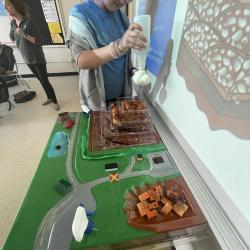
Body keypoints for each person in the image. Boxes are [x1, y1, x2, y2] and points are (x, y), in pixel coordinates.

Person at [67, 0, 147, 111]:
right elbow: (82, 59)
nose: (123, 1)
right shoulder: (80, 14)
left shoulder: (120, 15)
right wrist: (119, 47)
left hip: (122, 94)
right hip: (97, 98)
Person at [3, 0, 60, 111]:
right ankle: (49, 97)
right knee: (39, 79)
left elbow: (39, 41)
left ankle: (55, 101)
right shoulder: (13, 23)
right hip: (27, 58)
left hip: (37, 57)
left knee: (44, 80)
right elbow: (13, 38)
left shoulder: (29, 22)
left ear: (15, 6)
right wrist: (14, 30)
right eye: (5, 6)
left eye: (8, 5)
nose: (6, 8)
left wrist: (24, 34)